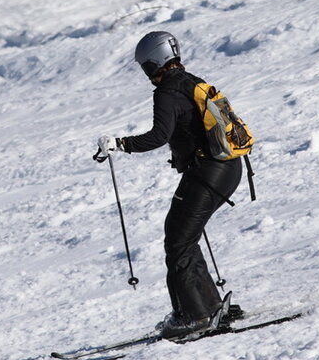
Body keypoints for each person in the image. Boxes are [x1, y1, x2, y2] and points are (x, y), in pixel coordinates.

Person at [96, 31, 244, 338]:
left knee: (177, 241)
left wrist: (119, 144)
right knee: (182, 237)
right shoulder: (190, 80)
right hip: (228, 168)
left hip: (209, 171)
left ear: (156, 62)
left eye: (147, 67)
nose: (147, 74)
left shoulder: (167, 92)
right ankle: (208, 308)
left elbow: (158, 137)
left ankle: (194, 316)